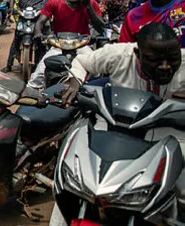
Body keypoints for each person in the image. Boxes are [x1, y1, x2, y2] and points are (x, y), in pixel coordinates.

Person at [56, 22, 185, 224]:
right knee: (75, 180)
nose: (165, 66)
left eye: (173, 58)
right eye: (154, 60)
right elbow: (82, 62)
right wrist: (74, 83)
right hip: (116, 130)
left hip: (169, 134)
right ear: (137, 54)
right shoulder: (118, 55)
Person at [27, 0, 105, 89]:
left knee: (96, 72)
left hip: (82, 45)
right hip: (59, 45)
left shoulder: (92, 4)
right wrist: (38, 33)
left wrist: (88, 7)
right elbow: (40, 21)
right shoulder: (55, 2)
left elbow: (101, 27)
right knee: (38, 76)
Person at [5, 0, 54, 72]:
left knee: (47, 31)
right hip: (25, 12)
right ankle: (9, 64)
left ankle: (50, 59)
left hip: (41, 11)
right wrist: (11, 9)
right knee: (18, 35)